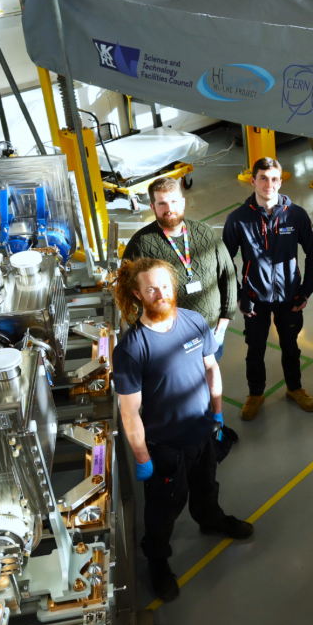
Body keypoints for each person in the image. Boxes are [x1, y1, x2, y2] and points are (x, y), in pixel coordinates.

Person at [112, 256, 252, 604]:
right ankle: (158, 562)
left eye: (164, 285)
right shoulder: (132, 348)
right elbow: (129, 413)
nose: (160, 293)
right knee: (163, 511)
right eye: (150, 289)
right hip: (165, 448)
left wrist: (217, 415)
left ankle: (210, 519)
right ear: (138, 294)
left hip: (202, 433)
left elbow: (211, 370)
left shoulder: (192, 322)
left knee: (207, 485)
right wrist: (143, 456)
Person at [220, 157, 313, 418]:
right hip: (255, 299)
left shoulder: (296, 215)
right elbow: (224, 261)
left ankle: (295, 388)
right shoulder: (237, 219)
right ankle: (255, 393)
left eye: (274, 178)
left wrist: (306, 290)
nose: (269, 184)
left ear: (281, 180)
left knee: (291, 345)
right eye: (263, 178)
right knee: (256, 348)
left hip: (290, 298)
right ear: (253, 180)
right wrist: (241, 294)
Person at [122, 177, 238, 347]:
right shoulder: (140, 245)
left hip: (212, 331)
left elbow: (228, 274)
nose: (169, 209)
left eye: (174, 201)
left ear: (183, 202)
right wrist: (148, 331)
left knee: (211, 369)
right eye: (162, 204)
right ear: (153, 207)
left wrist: (227, 315)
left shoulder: (206, 234)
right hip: (171, 338)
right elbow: (127, 293)